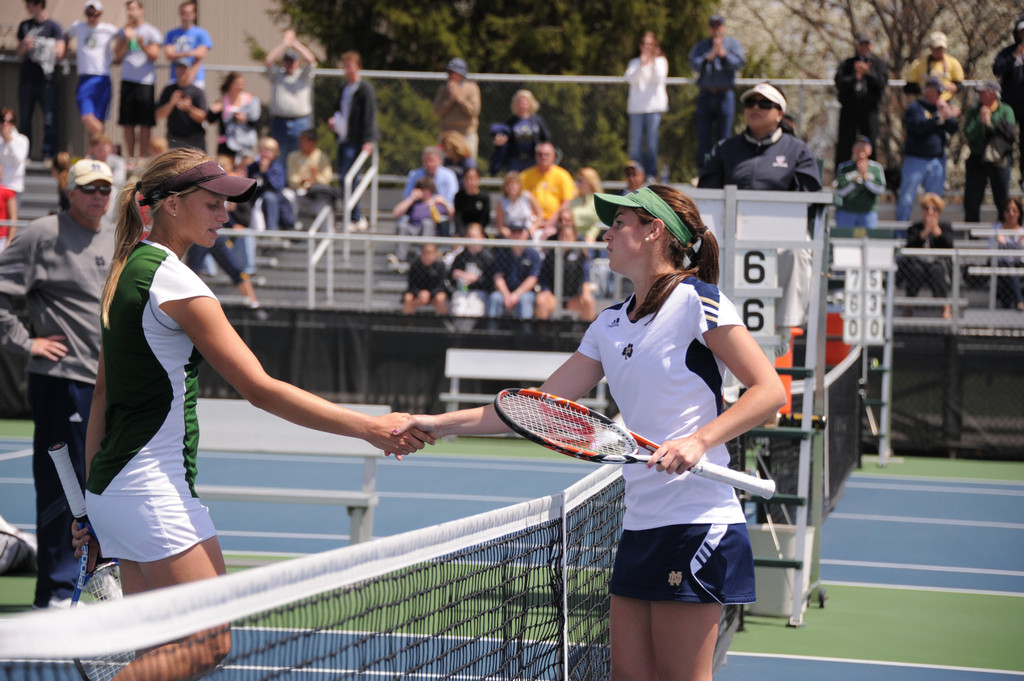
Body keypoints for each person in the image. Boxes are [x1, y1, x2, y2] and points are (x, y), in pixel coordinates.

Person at [72, 148, 429, 680]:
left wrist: (92, 503)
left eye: (227, 204)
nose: (225, 214)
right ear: (170, 205)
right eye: (212, 203)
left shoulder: (129, 269)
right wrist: (368, 428)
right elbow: (259, 388)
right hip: (149, 489)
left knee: (160, 648)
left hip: (122, 486)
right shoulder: (176, 283)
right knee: (208, 643)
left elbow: (102, 396)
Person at [404, 184, 786, 681]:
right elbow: (533, 411)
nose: (606, 234)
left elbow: (769, 391)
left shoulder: (700, 302)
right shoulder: (607, 326)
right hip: (639, 526)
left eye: (619, 224)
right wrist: (436, 424)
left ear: (654, 232)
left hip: (698, 522)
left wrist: (698, 441)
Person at [0, 159, 115, 609]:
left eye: (105, 189)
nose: (97, 197)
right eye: (89, 189)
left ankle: (99, 584)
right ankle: (55, 592)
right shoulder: (42, 234)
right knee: (63, 487)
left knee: (105, 487)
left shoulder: (116, 236)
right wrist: (26, 343)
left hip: (107, 383)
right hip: (62, 382)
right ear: (70, 191)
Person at [699, 82, 822, 333]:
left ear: (779, 113)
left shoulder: (797, 150)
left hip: (781, 236)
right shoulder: (725, 148)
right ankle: (709, 325)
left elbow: (809, 199)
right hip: (731, 234)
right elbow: (707, 195)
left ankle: (787, 328)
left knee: (797, 252)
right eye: (750, 103)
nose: (756, 108)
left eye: (765, 104)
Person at [896, 77, 960, 222]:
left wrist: (948, 116)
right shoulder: (915, 107)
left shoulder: (942, 106)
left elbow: (953, 129)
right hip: (915, 160)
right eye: (937, 91)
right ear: (928, 91)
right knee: (907, 198)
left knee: (934, 200)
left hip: (937, 160)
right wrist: (938, 118)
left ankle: (932, 232)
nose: (939, 95)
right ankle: (900, 233)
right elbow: (917, 127)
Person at [689, 15, 746, 170]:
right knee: (703, 137)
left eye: (719, 25)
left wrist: (723, 53)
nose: (716, 29)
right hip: (705, 95)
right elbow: (694, 64)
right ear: (709, 28)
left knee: (724, 137)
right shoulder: (702, 46)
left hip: (725, 95)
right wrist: (710, 55)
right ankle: (704, 171)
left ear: (724, 27)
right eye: (713, 26)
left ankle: (723, 170)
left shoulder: (733, 45)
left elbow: (740, 63)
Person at [330, 51, 377, 230]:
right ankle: (354, 216)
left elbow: (369, 115)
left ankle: (355, 217)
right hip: (344, 138)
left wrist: (368, 139)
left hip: (356, 140)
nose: (347, 70)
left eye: (350, 66)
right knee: (345, 179)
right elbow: (338, 108)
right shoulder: (344, 88)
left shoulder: (364, 88)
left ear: (358, 67)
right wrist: (332, 120)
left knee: (349, 178)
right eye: (345, 66)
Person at [111, 0, 161, 162]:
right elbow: (117, 57)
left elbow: (154, 56)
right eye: (128, 9)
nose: (130, 12)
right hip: (128, 80)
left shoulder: (151, 32)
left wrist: (141, 44)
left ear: (141, 10)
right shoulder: (123, 32)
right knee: (128, 121)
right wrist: (126, 39)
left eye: (133, 9)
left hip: (145, 82)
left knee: (145, 122)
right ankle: (131, 156)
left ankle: (142, 156)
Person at [17, 0, 65, 161]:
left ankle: (48, 154)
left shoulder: (53, 26)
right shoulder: (25, 25)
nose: (27, 8)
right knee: (25, 119)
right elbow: (19, 52)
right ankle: (25, 155)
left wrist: (42, 45)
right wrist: (26, 45)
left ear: (38, 4)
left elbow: (60, 51)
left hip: (47, 81)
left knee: (49, 119)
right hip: (27, 79)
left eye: (29, 4)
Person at [833, 31, 889, 168]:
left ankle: (871, 174)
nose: (864, 46)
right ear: (856, 45)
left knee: (871, 142)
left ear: (871, 45)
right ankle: (841, 174)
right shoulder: (848, 64)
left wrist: (867, 74)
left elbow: (881, 83)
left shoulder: (878, 64)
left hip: (870, 110)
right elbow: (839, 82)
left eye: (867, 43)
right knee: (845, 142)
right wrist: (856, 76)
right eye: (861, 43)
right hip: (849, 109)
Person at [63, 0, 118, 138]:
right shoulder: (78, 26)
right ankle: (107, 145)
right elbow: (66, 36)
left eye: (96, 14)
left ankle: (97, 152)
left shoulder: (109, 29)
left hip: (103, 77)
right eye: (89, 13)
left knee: (99, 119)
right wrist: (64, 54)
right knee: (87, 117)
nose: (92, 17)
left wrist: (122, 54)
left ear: (101, 14)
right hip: (85, 77)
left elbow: (127, 39)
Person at [963, 81, 1016, 223]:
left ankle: (1005, 234)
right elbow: (969, 135)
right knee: (972, 199)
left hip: (999, 160)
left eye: (983, 92)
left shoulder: (1006, 110)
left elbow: (1010, 135)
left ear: (993, 93)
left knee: (1002, 199)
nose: (979, 95)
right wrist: (981, 121)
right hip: (977, 158)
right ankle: (971, 237)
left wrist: (990, 124)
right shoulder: (975, 112)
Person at [897, 193, 955, 318]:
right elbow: (909, 246)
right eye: (927, 208)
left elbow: (949, 245)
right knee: (915, 270)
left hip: (938, 263)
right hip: (919, 263)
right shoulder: (915, 227)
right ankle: (908, 306)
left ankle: (945, 306)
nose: (930, 212)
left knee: (936, 271)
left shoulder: (945, 227)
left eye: (935, 209)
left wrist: (936, 232)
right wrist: (925, 232)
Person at [264, 28, 317, 163]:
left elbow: (311, 60)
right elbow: (269, 61)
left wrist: (295, 44)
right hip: (279, 122)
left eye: (293, 61)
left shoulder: (303, 76)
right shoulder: (277, 76)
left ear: (298, 63)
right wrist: (284, 44)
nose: (290, 64)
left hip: (300, 122)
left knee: (300, 155)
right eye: (287, 61)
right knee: (278, 155)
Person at [625, 32, 669, 180]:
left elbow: (658, 78)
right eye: (644, 44)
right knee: (635, 146)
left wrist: (653, 62)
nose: (646, 47)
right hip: (636, 109)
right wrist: (642, 65)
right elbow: (630, 79)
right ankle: (635, 175)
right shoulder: (634, 63)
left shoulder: (661, 62)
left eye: (650, 44)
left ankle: (651, 174)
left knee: (651, 143)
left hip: (654, 108)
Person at [535, 219, 596, 322]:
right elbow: (543, 279)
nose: (564, 240)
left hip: (573, 298)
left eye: (567, 237)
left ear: (574, 238)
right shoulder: (551, 255)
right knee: (541, 301)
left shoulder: (581, 255)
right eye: (562, 236)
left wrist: (586, 293)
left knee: (589, 302)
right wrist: (546, 291)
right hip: (553, 297)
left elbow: (585, 278)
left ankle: (587, 336)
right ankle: (542, 335)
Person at [389, 176, 452, 268]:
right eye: (422, 189)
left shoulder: (438, 204)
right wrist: (411, 198)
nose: (424, 192)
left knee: (427, 223)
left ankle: (421, 256)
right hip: (414, 229)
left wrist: (445, 203)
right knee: (402, 225)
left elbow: (453, 216)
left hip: (431, 232)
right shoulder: (414, 203)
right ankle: (400, 258)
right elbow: (395, 213)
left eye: (426, 189)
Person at [489, 89, 551, 175]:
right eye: (519, 102)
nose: (522, 104)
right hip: (515, 160)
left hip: (533, 159)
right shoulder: (511, 121)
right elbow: (503, 136)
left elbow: (546, 138)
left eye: (525, 102)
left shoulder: (537, 120)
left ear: (530, 103)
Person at [520, 142, 577, 234]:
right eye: (540, 154)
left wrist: (552, 221)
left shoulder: (563, 175)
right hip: (530, 220)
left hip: (557, 222)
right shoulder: (525, 176)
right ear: (535, 156)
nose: (543, 157)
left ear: (554, 157)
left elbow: (567, 201)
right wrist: (535, 220)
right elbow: (521, 200)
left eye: (547, 154)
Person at [993, 15, 1024, 184]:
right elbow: (997, 69)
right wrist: (1014, 55)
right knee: (1006, 139)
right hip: (1009, 107)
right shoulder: (1008, 51)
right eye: (1022, 31)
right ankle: (1003, 174)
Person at [207, 72, 260, 167]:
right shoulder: (223, 100)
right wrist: (213, 110)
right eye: (237, 83)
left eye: (242, 83)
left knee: (244, 171)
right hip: (226, 142)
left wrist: (245, 119)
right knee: (224, 168)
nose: (240, 86)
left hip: (244, 142)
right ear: (230, 84)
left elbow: (256, 121)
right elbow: (210, 119)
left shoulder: (248, 100)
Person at [487, 226, 541, 319]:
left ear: (526, 234)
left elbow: (532, 279)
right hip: (504, 292)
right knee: (494, 298)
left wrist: (516, 294)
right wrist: (507, 295)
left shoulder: (533, 254)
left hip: (525, 292)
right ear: (510, 235)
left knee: (524, 300)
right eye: (514, 232)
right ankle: (492, 331)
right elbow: (498, 277)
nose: (517, 235)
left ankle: (524, 332)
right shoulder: (502, 253)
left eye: (520, 232)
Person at [432, 58, 481, 160]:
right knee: (444, 164)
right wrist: (450, 100)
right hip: (446, 133)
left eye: (453, 72)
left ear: (461, 74)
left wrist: (459, 98)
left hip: (466, 133)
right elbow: (437, 111)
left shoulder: (472, 88)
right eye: (449, 72)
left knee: (467, 164)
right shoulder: (443, 90)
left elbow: (474, 111)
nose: (450, 75)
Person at [155, 59, 208, 151]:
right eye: (180, 69)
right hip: (174, 138)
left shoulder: (197, 92)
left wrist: (189, 109)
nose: (183, 72)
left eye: (185, 69)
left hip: (195, 139)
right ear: (176, 70)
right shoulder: (169, 90)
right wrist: (171, 103)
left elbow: (203, 117)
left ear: (190, 70)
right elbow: (158, 115)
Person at [834, 136, 886, 228]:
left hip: (868, 212)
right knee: (844, 240)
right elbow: (840, 191)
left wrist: (866, 180)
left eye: (864, 146)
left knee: (867, 241)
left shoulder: (876, 168)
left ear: (870, 150)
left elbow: (880, 189)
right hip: (846, 212)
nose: (861, 149)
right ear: (853, 150)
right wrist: (854, 183)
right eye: (858, 146)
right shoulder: (844, 167)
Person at [286, 129, 336, 223]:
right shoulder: (293, 156)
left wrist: (315, 175)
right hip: (298, 191)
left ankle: (326, 235)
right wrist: (301, 180)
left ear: (312, 142)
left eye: (303, 141)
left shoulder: (322, 156)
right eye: (300, 141)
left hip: (316, 193)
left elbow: (327, 180)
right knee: (287, 195)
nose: (300, 143)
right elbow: (291, 178)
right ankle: (291, 226)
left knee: (325, 205)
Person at [247, 137, 295, 231]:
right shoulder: (252, 167)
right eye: (263, 150)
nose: (265, 153)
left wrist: (265, 173)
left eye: (269, 151)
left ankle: (272, 230)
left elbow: (277, 186)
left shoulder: (277, 167)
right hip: (254, 197)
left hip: (273, 197)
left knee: (269, 197)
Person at [163, 0, 212, 90]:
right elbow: (169, 55)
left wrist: (177, 54)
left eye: (188, 13)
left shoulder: (202, 34)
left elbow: (201, 54)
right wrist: (191, 52)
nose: (185, 17)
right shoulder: (171, 34)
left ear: (194, 14)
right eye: (183, 13)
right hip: (175, 78)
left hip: (196, 79)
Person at [449, 222, 493, 317]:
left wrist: (476, 279)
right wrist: (458, 276)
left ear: (482, 237)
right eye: (469, 236)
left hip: (480, 291)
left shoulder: (487, 257)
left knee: (473, 311)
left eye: (475, 236)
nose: (472, 239)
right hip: (462, 291)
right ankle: (462, 332)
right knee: (458, 310)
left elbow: (491, 281)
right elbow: (451, 277)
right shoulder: (460, 257)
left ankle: (462, 332)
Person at [904, 31, 964, 101]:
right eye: (936, 48)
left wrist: (954, 87)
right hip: (923, 103)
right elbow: (908, 88)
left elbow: (960, 85)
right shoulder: (917, 64)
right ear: (930, 47)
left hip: (944, 103)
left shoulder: (953, 63)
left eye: (941, 49)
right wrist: (923, 90)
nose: (939, 51)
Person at [989, 197, 1024, 311]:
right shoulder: (996, 227)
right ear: (1003, 212)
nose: (1011, 213)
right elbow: (992, 249)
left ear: (1019, 213)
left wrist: (1006, 244)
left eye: (1014, 210)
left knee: (1012, 275)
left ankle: (1010, 306)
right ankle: (1019, 301)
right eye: (1007, 210)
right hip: (1001, 264)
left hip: (1020, 264)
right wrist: (1016, 244)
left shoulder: (1022, 229)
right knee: (1009, 268)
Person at [402, 242, 449, 315]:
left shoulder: (440, 266)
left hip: (434, 295)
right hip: (418, 295)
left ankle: (442, 323)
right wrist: (419, 293)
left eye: (431, 253)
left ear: (436, 254)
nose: (428, 256)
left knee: (441, 297)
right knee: (408, 297)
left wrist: (429, 294)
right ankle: (408, 324)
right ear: (421, 254)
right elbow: (411, 285)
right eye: (425, 253)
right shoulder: (415, 265)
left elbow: (441, 286)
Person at [495, 170, 541, 239]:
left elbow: (540, 214)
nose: (511, 187)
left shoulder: (527, 197)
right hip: (510, 231)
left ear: (519, 185)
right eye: (508, 184)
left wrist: (533, 228)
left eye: (514, 184)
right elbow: (501, 226)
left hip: (526, 231)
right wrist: (509, 234)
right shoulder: (501, 202)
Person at [563, 167, 605, 243]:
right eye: (577, 181)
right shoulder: (573, 201)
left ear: (590, 182)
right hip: (573, 236)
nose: (578, 184)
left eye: (580, 181)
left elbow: (599, 222)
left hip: (593, 238)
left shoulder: (598, 201)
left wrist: (591, 236)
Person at [0, 109, 30, 200]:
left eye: (10, 121)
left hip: (14, 187)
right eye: (2, 120)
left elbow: (17, 160)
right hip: (1, 187)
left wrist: (9, 141)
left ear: (14, 123)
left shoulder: (22, 140)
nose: (6, 124)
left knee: (12, 215)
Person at [453, 167, 490, 237]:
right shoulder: (459, 196)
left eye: (473, 179)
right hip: (462, 232)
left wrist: (477, 230)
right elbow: (458, 217)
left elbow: (484, 219)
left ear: (478, 179)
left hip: (478, 232)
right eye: (467, 179)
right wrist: (464, 233)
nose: (470, 182)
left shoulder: (484, 197)